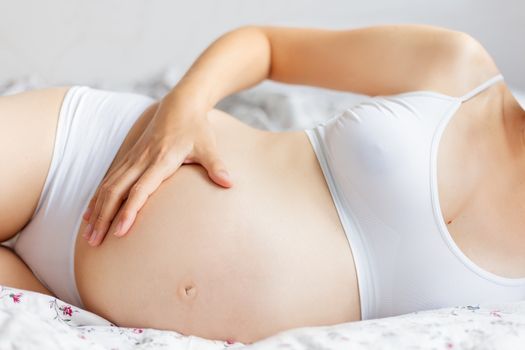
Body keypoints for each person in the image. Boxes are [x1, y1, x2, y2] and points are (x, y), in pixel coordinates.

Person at [1, 24, 524, 344]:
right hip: (84, 153)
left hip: (68, 305)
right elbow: (266, 46)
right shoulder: (459, 68)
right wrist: (182, 110)